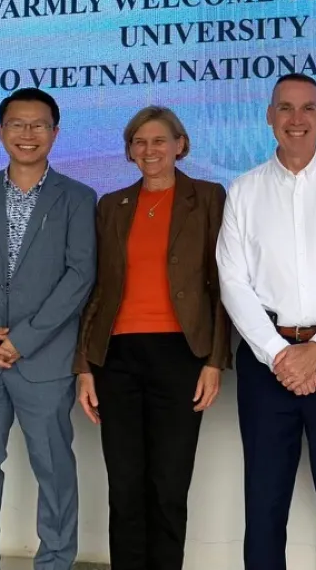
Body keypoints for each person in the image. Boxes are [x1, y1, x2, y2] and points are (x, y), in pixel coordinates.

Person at [217, 73, 316, 570]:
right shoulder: (244, 190)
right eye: (285, 108)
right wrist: (279, 354)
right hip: (268, 364)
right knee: (264, 503)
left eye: (307, 108)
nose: (296, 119)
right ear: (269, 116)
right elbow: (233, 283)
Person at [0, 87, 96, 570]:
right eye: (17, 124)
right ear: (1, 131)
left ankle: (55, 562)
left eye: (39, 125)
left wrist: (22, 340)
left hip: (43, 362)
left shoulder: (77, 197)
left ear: (55, 133)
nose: (28, 134)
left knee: (54, 470)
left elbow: (79, 276)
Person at [73, 106, 230, 570]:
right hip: (116, 356)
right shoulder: (111, 205)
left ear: (180, 145)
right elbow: (97, 289)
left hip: (181, 356)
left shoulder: (207, 198)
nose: (150, 150)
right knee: (124, 485)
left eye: (160, 140)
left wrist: (215, 360)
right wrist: (84, 366)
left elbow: (222, 285)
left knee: (168, 484)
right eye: (139, 142)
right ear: (129, 151)